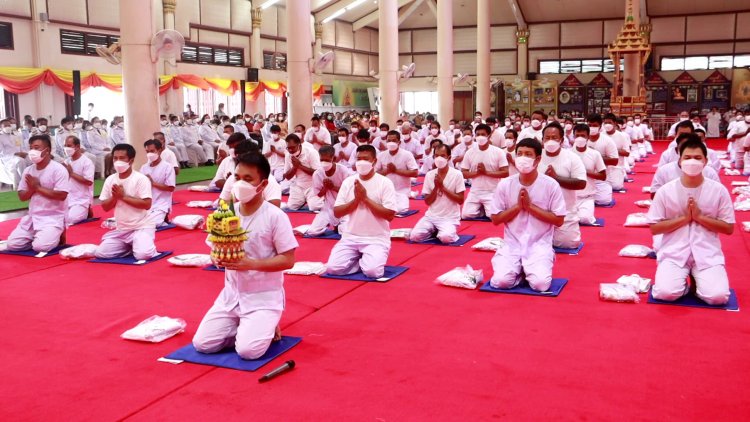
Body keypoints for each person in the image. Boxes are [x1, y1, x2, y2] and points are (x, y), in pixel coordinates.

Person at [192, 153, 297, 360]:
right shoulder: (226, 212)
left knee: (248, 352)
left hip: (263, 297)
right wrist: (217, 258)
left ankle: (266, 322)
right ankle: (252, 328)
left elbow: (288, 260)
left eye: (248, 179)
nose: (240, 183)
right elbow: (214, 248)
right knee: (202, 344)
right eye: (237, 177)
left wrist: (251, 264)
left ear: (263, 184)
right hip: (230, 296)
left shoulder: (275, 216)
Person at [648, 135, 734, 305]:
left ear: (705, 161)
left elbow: (729, 228)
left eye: (697, 158)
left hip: (707, 251)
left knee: (718, 297)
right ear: (679, 161)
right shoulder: (666, 191)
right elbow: (655, 228)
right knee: (665, 293)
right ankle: (683, 285)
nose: (692, 162)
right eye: (687, 157)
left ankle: (697, 284)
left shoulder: (718, 190)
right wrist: (686, 218)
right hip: (674, 251)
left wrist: (700, 217)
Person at [488, 138, 566, 291]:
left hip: (539, 244)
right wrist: (518, 207)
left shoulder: (550, 185)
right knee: (500, 282)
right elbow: (496, 219)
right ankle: (520, 273)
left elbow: (559, 220)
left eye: (528, 154)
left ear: (537, 159)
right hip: (512, 243)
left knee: (540, 285)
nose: (523, 158)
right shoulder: (505, 184)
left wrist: (530, 207)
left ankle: (530, 268)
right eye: (520, 154)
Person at [325, 145, 397, 279]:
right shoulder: (348, 182)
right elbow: (337, 212)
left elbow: (389, 215)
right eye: (359, 159)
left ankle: (366, 260)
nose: (361, 162)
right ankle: (358, 262)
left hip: (376, 238)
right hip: (351, 236)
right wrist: (357, 201)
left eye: (366, 159)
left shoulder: (384, 182)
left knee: (373, 272)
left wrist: (365, 199)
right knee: (332, 268)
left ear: (374, 161)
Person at [5, 135, 70, 252]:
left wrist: (37, 188)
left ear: (47, 150)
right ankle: (38, 237)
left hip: (53, 217)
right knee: (12, 245)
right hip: (33, 216)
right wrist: (32, 189)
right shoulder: (28, 170)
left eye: (36, 147)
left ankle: (57, 233)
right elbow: (22, 197)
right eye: (31, 148)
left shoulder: (58, 169)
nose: (32, 151)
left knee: (41, 247)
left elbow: (62, 195)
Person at [94, 144, 157, 261]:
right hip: (122, 229)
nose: (118, 161)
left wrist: (122, 197)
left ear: (131, 160)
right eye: (115, 158)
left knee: (143, 255)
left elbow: (147, 204)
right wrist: (115, 197)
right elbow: (105, 207)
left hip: (141, 226)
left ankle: (139, 244)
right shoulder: (110, 179)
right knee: (101, 253)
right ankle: (129, 247)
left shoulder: (140, 179)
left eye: (122, 158)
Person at [540, 122, 587, 249]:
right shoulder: (536, 156)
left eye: (554, 138)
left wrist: (556, 178)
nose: (550, 141)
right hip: (538, 212)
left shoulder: (572, 157)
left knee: (568, 244)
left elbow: (581, 183)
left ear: (561, 140)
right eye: (547, 138)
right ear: (542, 140)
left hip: (565, 211)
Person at [409, 144, 465, 244]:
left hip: (449, 217)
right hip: (431, 216)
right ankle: (433, 230)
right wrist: (436, 187)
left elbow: (460, 200)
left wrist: (442, 187)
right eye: (437, 155)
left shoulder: (457, 174)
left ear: (449, 158)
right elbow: (427, 201)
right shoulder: (430, 175)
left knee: (445, 238)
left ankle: (443, 230)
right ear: (434, 157)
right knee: (414, 237)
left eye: (442, 156)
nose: (439, 158)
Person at [461, 124, 509, 219]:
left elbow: (505, 172)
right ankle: (481, 210)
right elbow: (464, 173)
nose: (480, 137)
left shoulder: (498, 152)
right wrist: (478, 173)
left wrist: (486, 172)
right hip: (475, 191)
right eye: (478, 134)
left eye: (483, 134)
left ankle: (488, 208)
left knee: (492, 215)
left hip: (492, 191)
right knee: (466, 215)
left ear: (489, 135)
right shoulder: (470, 152)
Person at [650, 133, 720, 197]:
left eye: (697, 157)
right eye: (687, 157)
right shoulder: (664, 171)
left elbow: (718, 195)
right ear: (677, 150)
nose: (692, 160)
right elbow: (654, 193)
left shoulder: (710, 173)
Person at [307, 146, 352, 236]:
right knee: (312, 232)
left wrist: (333, 187)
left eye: (327, 160)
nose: (324, 163)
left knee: (346, 233)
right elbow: (319, 194)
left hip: (344, 207)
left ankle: (339, 225)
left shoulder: (343, 171)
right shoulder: (317, 173)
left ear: (333, 158)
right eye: (322, 160)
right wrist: (325, 188)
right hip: (328, 208)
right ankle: (330, 223)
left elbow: (348, 193)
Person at [570, 125, 606, 226]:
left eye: (583, 135)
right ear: (573, 136)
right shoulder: (567, 153)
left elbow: (603, 176)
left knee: (584, 219)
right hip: (570, 196)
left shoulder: (595, 154)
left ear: (588, 137)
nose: (580, 138)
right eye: (577, 135)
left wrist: (585, 172)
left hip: (587, 197)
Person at [376, 130, 419, 213]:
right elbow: (375, 174)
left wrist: (396, 170)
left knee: (401, 209)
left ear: (399, 142)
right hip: (385, 190)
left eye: (394, 140)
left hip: (402, 191)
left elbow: (415, 173)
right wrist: (387, 171)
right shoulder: (381, 155)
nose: (391, 143)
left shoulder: (407, 154)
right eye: (389, 141)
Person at [140, 139, 176, 227]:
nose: (149, 154)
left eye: (152, 151)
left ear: (160, 150)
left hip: (161, 204)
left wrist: (153, 183)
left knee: (152, 223)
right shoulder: (144, 168)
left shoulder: (168, 167)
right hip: (146, 203)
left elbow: (171, 188)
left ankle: (163, 218)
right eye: (147, 151)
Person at [283, 134, 323, 211]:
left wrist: (299, 166)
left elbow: (317, 173)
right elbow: (287, 176)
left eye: (292, 147)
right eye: (288, 148)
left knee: (315, 207)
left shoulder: (311, 152)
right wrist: (294, 167)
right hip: (298, 185)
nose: (290, 150)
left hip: (312, 185)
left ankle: (317, 199)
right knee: (291, 207)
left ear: (299, 145)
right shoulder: (288, 155)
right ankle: (303, 200)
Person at [63, 136, 94, 225]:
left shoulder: (86, 162)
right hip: (67, 198)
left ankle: (87, 209)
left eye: (69, 145)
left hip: (81, 200)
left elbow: (89, 182)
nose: (66, 148)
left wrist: (71, 173)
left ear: (77, 147)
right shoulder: (66, 161)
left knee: (71, 219)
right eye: (65, 145)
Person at [599, 113, 630, 191]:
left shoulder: (622, 136)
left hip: (617, 167)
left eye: (609, 123)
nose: (607, 125)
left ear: (615, 123)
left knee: (616, 187)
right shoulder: (600, 135)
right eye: (605, 123)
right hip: (602, 167)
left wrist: (613, 149)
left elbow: (627, 153)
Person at [0, 119, 25, 188]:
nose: (8, 127)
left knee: (31, 158)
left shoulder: (15, 135)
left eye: (9, 125)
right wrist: (16, 154)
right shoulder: (0, 137)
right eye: (5, 126)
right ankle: (24, 182)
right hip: (8, 158)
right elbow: (2, 153)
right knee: (20, 161)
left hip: (19, 155)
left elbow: (21, 146)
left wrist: (24, 153)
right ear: (1, 127)